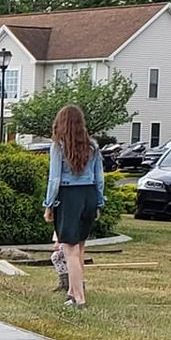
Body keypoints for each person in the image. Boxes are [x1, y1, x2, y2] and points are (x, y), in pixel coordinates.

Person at [43, 104, 104, 308]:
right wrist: (99, 201)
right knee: (79, 248)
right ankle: (71, 292)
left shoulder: (58, 147)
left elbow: (55, 179)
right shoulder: (93, 146)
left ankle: (79, 299)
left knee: (69, 250)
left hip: (69, 196)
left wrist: (49, 205)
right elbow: (99, 179)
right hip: (89, 195)